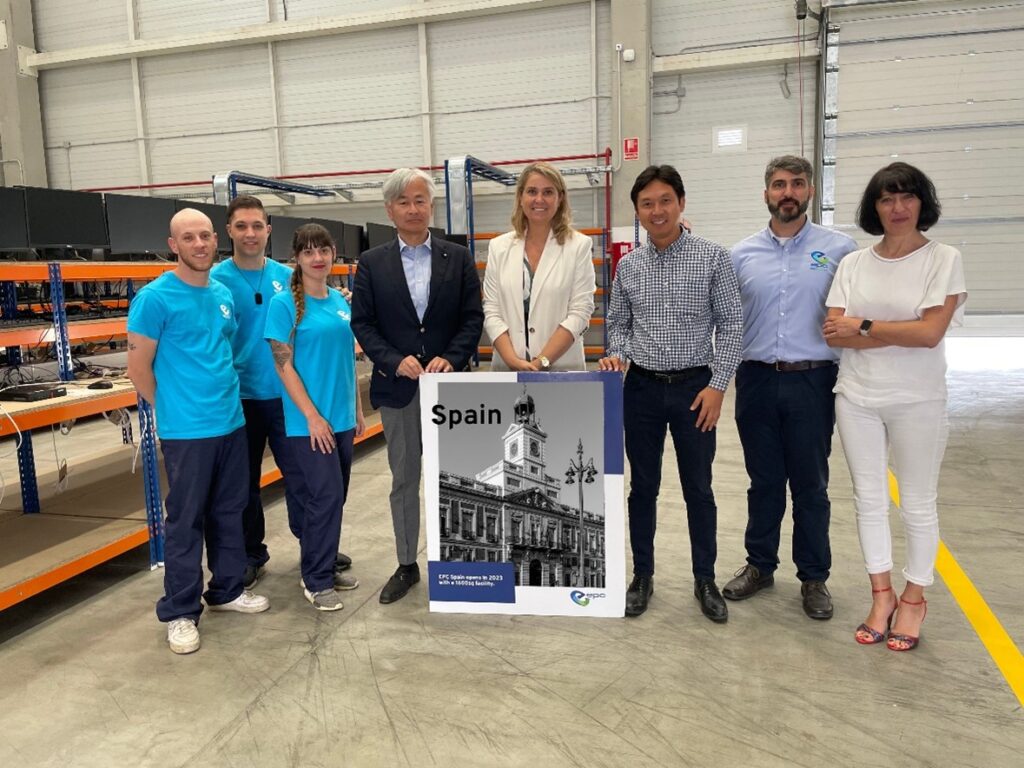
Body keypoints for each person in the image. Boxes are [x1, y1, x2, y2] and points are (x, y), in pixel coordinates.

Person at [823, 162, 966, 651]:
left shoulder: (943, 259)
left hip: (918, 400)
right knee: (868, 499)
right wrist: (894, 330)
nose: (898, 207)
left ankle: (914, 599)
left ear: (922, 203)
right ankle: (881, 595)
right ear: (875, 207)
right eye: (887, 199)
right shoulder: (853, 264)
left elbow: (930, 334)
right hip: (856, 397)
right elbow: (834, 332)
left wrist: (864, 326)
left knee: (918, 503)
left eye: (907, 197)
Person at [598, 165, 743, 622]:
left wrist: (718, 386)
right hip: (641, 389)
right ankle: (642, 575)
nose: (656, 210)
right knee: (643, 488)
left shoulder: (713, 257)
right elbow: (619, 324)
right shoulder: (628, 265)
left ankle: (705, 578)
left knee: (698, 488)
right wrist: (616, 355)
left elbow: (732, 325)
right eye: (647, 203)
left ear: (681, 203)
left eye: (665, 201)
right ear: (637, 210)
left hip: (695, 390)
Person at [127, 208, 270, 655]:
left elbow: (221, 351)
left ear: (215, 239)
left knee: (230, 511)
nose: (200, 244)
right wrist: (173, 408)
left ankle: (227, 589)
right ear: (174, 245)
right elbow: (138, 369)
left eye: (205, 236)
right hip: (188, 431)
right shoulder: (154, 299)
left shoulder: (221, 293)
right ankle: (181, 611)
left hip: (232, 422)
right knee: (185, 520)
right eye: (188, 237)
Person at [723, 156, 858, 620]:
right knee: (763, 482)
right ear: (766, 193)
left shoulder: (840, 250)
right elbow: (726, 318)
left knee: (810, 485)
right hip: (756, 378)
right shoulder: (740, 255)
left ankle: (814, 577)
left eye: (797, 184)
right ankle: (760, 566)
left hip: (812, 380)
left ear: (810, 191)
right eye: (779, 184)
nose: (788, 192)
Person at [351, 168, 484, 604]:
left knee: (461, 480)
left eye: (420, 200)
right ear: (390, 210)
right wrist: (393, 361)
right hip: (400, 389)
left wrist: (454, 356)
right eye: (403, 202)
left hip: (451, 390)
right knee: (405, 479)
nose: (413, 209)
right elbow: (363, 324)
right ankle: (406, 564)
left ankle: (464, 564)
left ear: (431, 205)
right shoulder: (372, 263)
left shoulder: (457, 257)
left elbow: (472, 318)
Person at [265, 223, 365, 611]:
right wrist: (311, 416)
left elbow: (347, 360)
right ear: (297, 258)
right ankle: (316, 579)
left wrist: (357, 409)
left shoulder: (339, 301)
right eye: (308, 251)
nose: (317, 258)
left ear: (333, 253)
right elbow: (283, 365)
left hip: (341, 417)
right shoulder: (284, 304)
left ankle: (323, 563)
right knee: (324, 496)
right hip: (308, 421)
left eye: (323, 250)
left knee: (334, 498)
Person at [483, 162, 595, 371]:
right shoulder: (498, 247)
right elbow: (491, 310)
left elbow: (580, 312)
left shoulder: (579, 246)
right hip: (507, 367)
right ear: (520, 197)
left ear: (560, 198)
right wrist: (512, 361)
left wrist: (541, 362)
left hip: (560, 368)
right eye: (532, 191)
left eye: (548, 192)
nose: (539, 199)